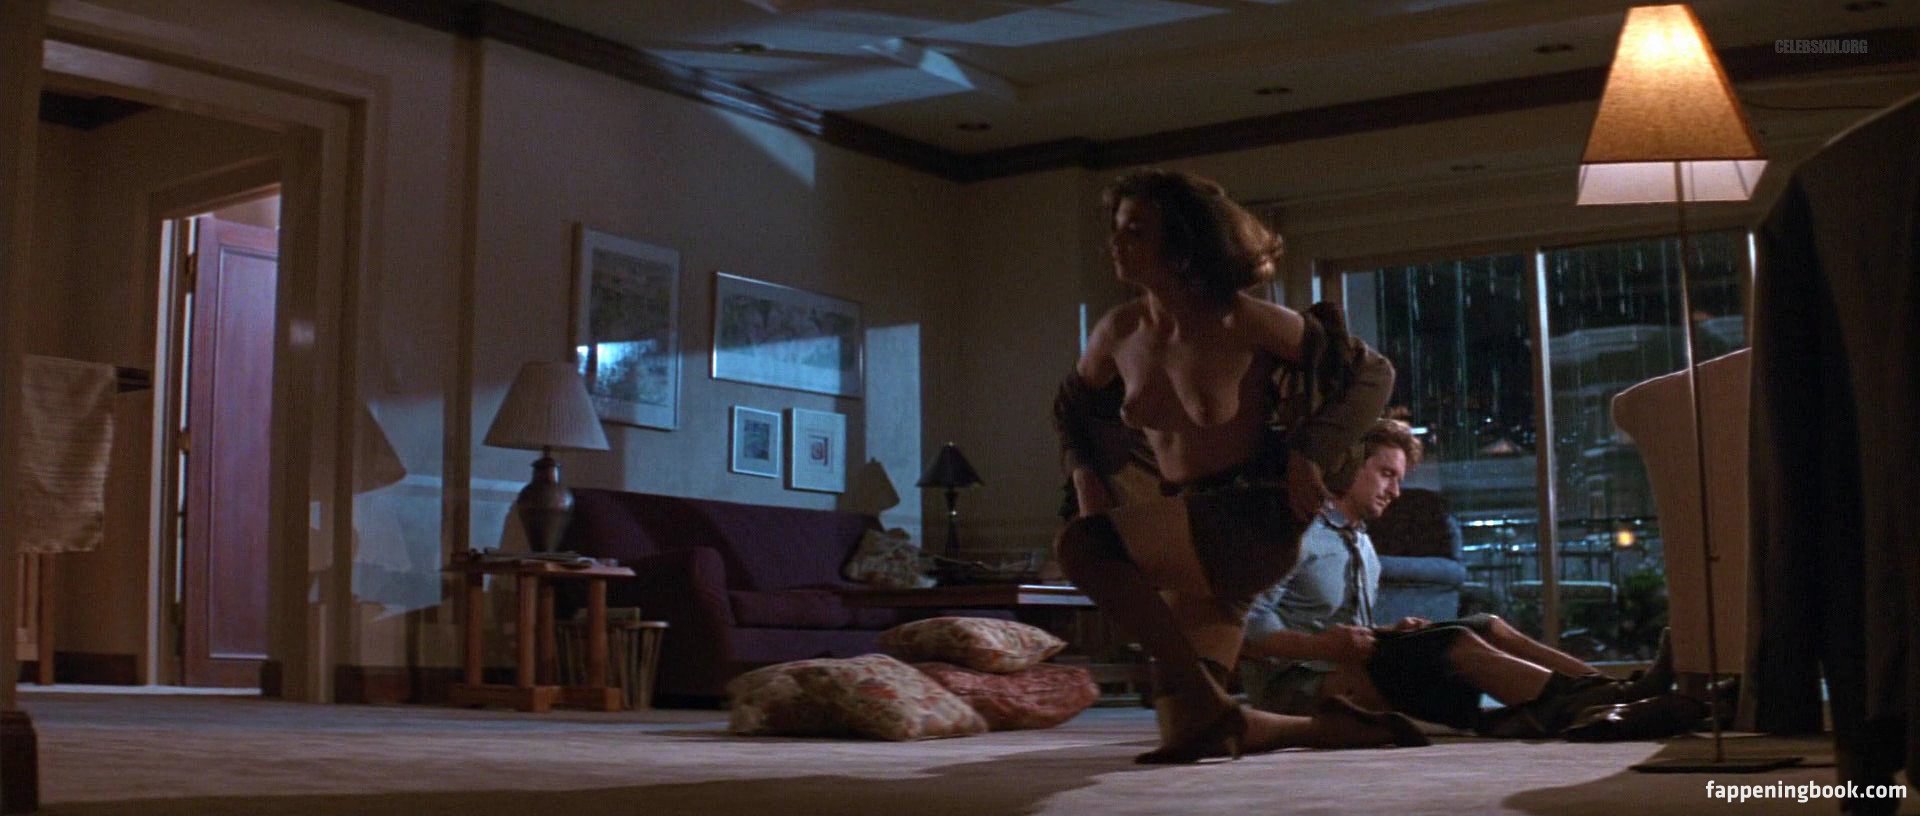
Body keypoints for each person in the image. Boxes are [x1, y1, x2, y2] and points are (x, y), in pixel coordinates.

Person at [1052, 168, 1420, 764]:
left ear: (1182, 244)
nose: (1116, 244)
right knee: (1189, 733)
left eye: (1136, 231)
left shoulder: (1244, 320)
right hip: (1183, 524)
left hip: (1250, 520)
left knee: (1083, 546)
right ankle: (1328, 730)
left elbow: (1372, 374)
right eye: (1116, 230)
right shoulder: (1119, 330)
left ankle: (1211, 704)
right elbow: (1071, 407)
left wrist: (1308, 454)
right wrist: (1086, 476)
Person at [1242, 418, 1675, 737]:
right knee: (1454, 643)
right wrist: (1320, 646)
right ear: (1350, 465)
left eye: (1399, 479)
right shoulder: (1300, 534)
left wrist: (1389, 631)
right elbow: (1247, 630)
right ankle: (1596, 706)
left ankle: (1612, 690)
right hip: (1299, 685)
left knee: (1487, 624)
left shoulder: (1362, 542)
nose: (1395, 491)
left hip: (1349, 663)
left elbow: (1347, 629)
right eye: (1386, 474)